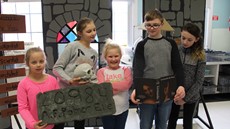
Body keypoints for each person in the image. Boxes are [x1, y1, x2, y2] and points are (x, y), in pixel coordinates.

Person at [130, 9, 185, 129]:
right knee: (145, 124)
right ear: (145, 25)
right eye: (148, 25)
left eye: (155, 25)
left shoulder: (170, 44)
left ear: (161, 24)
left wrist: (181, 85)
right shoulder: (141, 45)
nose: (152, 28)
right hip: (147, 90)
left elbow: (177, 66)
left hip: (166, 89)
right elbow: (137, 69)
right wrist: (136, 88)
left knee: (162, 124)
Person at [52, 17, 98, 129]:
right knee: (59, 124)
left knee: (80, 124)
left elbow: (92, 74)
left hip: (81, 95)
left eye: (94, 30)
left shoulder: (94, 53)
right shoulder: (72, 46)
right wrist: (70, 80)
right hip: (64, 93)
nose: (93, 33)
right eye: (89, 31)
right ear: (79, 33)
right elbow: (56, 68)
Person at [167, 23, 206, 129]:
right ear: (180, 34)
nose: (185, 42)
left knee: (187, 123)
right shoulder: (176, 50)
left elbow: (199, 81)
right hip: (175, 93)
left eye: (189, 40)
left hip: (191, 96)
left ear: (196, 39)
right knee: (171, 120)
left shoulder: (200, 55)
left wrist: (185, 98)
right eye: (183, 38)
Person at [17, 47, 60, 129]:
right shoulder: (23, 84)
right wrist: (32, 124)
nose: (38, 65)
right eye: (34, 62)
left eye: (41, 61)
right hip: (33, 126)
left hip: (52, 125)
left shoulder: (53, 80)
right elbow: (23, 108)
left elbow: (58, 101)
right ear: (27, 63)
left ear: (45, 61)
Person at [97, 38, 132, 129]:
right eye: (110, 56)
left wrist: (110, 85)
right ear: (105, 57)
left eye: (116, 56)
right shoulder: (101, 72)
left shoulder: (125, 70)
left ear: (120, 56)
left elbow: (127, 84)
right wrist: (119, 86)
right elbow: (103, 90)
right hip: (106, 109)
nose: (113, 59)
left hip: (123, 108)